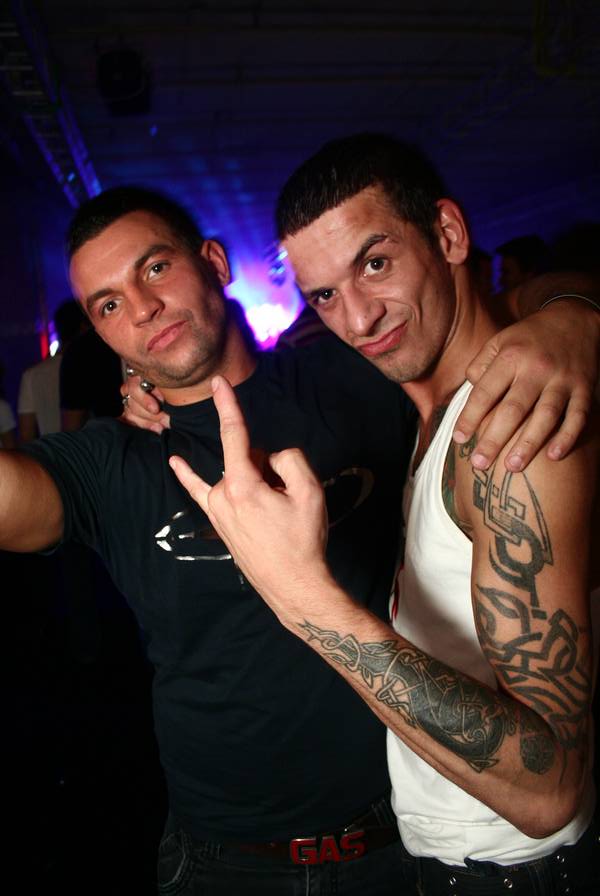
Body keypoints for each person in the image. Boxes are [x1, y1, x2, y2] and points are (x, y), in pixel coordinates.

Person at [4, 184, 598, 896]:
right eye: (107, 305)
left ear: (214, 262)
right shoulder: (110, 459)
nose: (141, 308)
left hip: (402, 839)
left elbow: (499, 301)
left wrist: (572, 317)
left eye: (155, 268)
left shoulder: (351, 371)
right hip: (225, 863)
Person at [168, 135, 600, 895]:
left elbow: (549, 788)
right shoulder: (436, 414)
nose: (359, 319)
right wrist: (574, 307)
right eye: (324, 296)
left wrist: (303, 598)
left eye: (375, 264)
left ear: (449, 235)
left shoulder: (510, 434)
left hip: (518, 873)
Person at [17, 299, 87, 442]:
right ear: (84, 327)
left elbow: (26, 436)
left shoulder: (32, 375)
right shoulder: (93, 367)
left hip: (52, 453)